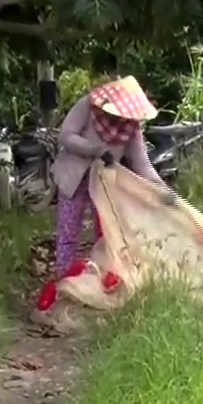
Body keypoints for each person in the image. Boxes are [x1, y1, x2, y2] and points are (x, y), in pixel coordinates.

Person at [38, 76, 170, 311]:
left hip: (104, 186)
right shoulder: (87, 106)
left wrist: (165, 191)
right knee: (68, 232)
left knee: (108, 233)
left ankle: (103, 282)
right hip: (73, 177)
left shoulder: (131, 127)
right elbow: (66, 136)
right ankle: (64, 284)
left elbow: (143, 164)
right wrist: (94, 150)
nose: (120, 118)